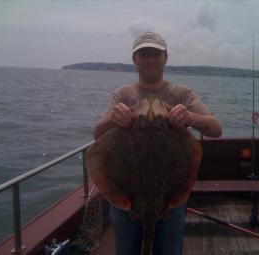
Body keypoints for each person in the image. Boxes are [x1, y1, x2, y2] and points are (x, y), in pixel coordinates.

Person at [93, 31, 222, 255]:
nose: (150, 59)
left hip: (169, 197)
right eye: (144, 54)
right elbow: (98, 135)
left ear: (165, 57)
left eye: (155, 54)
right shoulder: (123, 94)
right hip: (127, 197)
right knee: (127, 250)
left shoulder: (181, 93)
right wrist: (114, 120)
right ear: (134, 59)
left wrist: (191, 118)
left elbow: (216, 129)